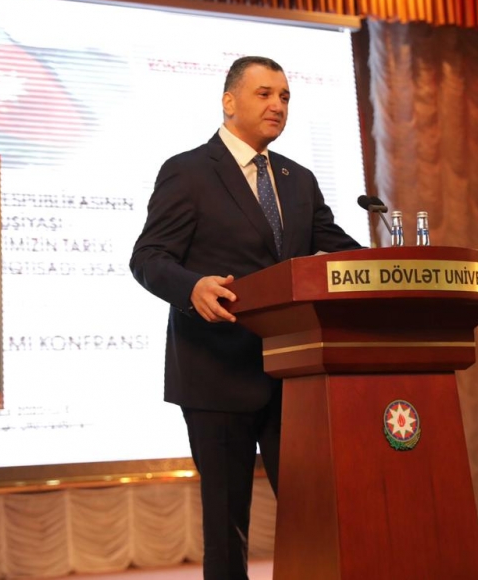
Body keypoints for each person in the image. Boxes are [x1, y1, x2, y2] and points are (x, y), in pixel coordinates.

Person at [129, 56, 361, 579]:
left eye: (285, 96)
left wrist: (388, 269)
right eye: (264, 94)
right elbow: (148, 257)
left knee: (313, 511)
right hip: (215, 373)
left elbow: (339, 251)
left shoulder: (298, 180)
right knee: (227, 523)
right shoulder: (188, 171)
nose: (277, 105)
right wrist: (192, 287)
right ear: (229, 101)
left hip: (293, 375)